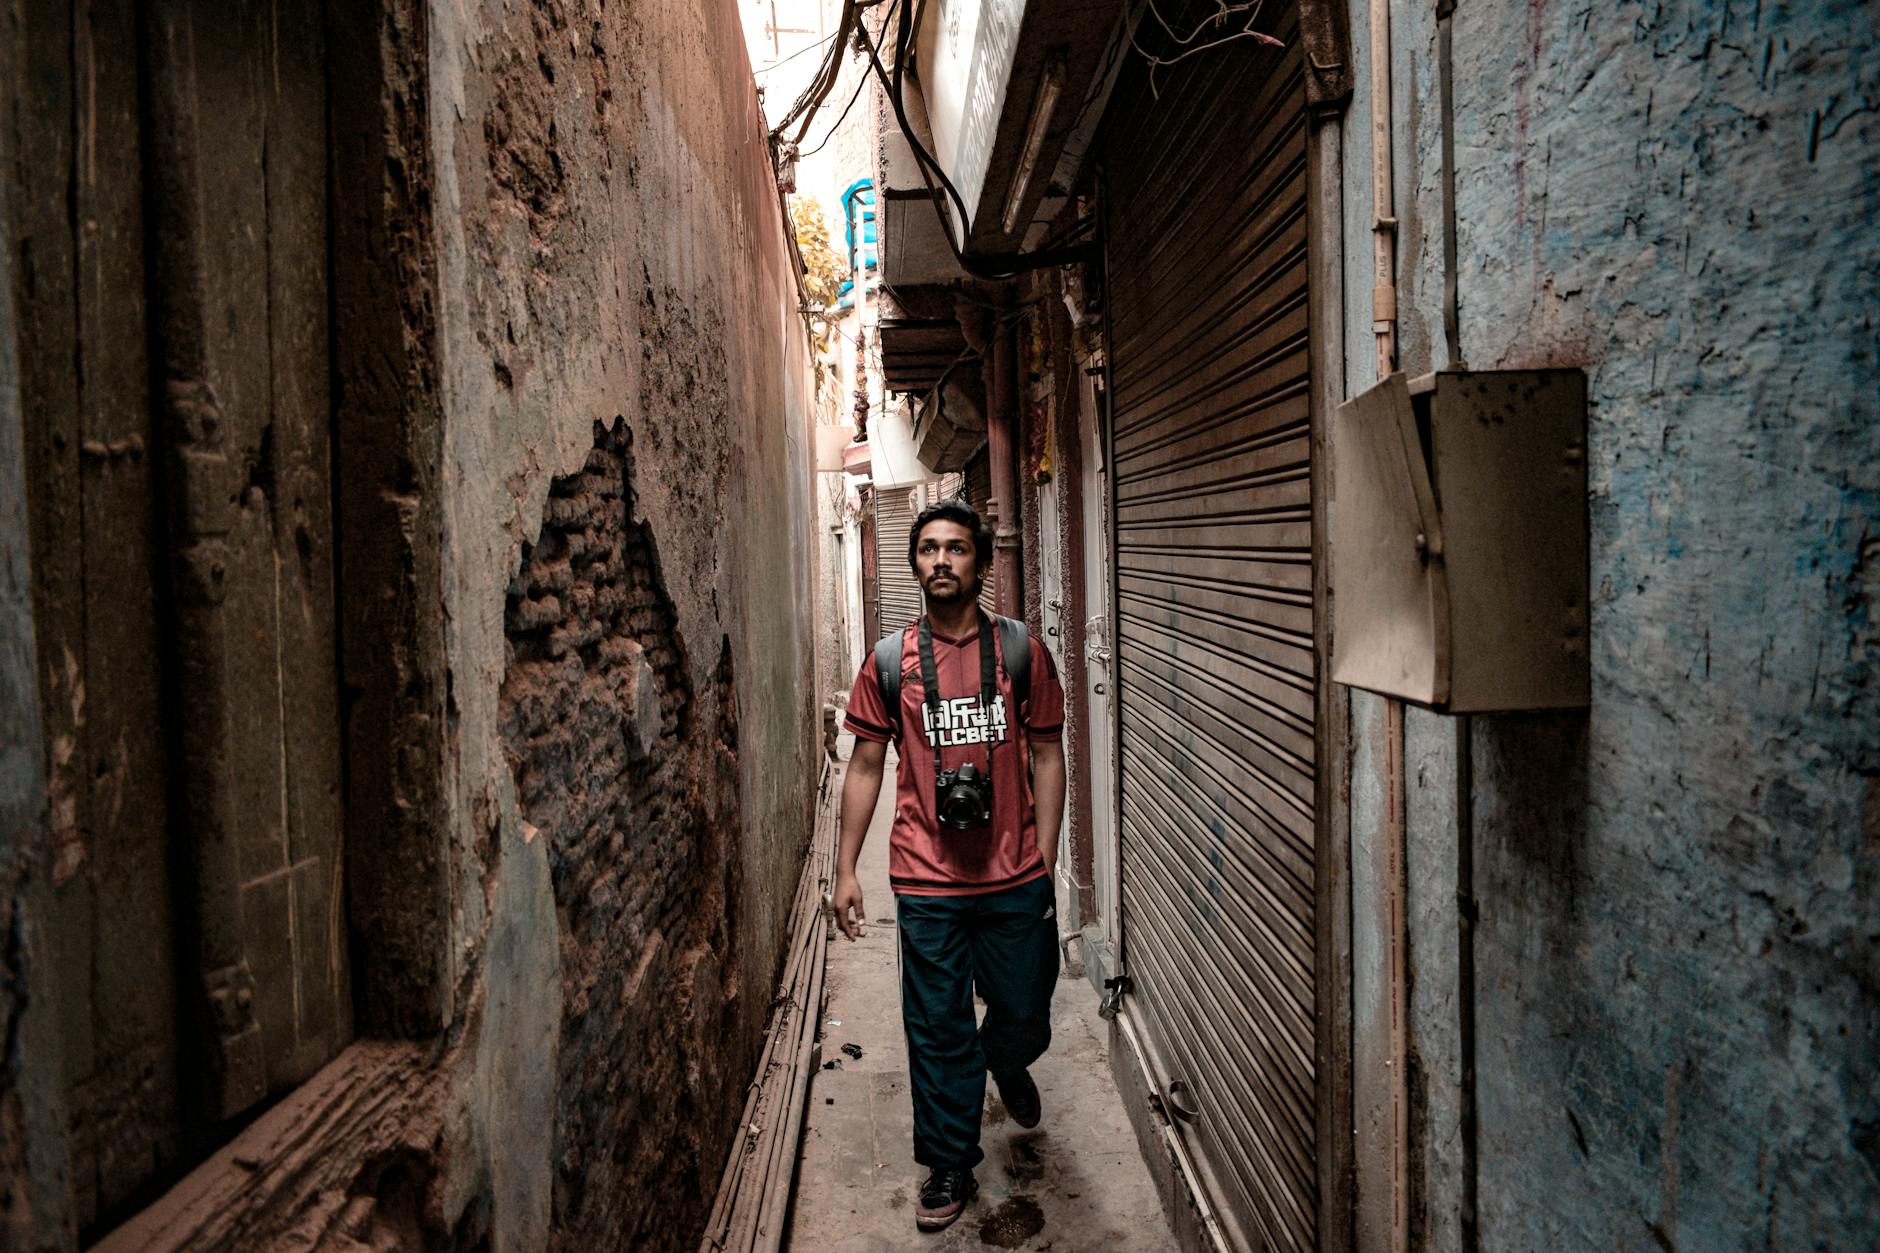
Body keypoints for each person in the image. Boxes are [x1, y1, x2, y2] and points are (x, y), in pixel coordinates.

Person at [832, 497, 1067, 1234]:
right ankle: (950, 1160)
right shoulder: (888, 660)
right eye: (928, 548)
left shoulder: (1022, 652)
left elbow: (1049, 753)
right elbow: (867, 763)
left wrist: (1046, 857)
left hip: (1012, 874)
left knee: (1024, 1010)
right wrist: (845, 869)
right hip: (927, 876)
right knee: (937, 1026)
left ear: (981, 562)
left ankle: (1008, 1058)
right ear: (916, 564)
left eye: (956, 548)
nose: (941, 559)